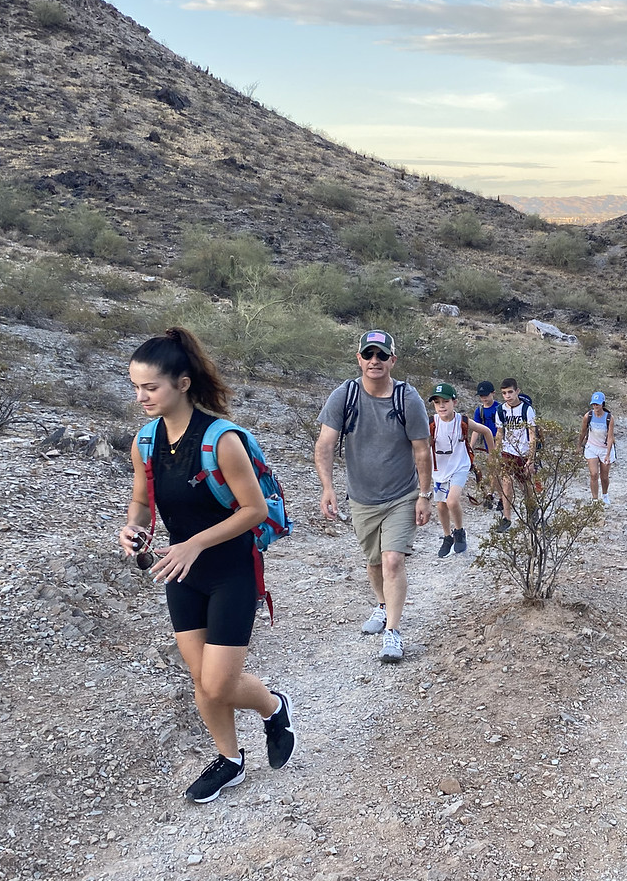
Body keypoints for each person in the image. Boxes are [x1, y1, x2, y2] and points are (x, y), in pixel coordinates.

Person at [119, 327, 296, 804]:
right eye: (135, 386)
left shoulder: (221, 440)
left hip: (230, 569)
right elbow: (141, 501)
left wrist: (194, 543)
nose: (141, 397)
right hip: (181, 572)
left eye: (150, 387)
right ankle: (231, 759)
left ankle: (275, 707)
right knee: (202, 682)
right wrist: (132, 528)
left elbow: (253, 510)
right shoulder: (145, 441)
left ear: (182, 383)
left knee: (218, 683)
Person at [314, 330, 432, 664]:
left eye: (382, 355)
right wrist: (327, 487)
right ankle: (382, 605)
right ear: (359, 359)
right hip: (362, 496)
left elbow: (422, 451)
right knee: (375, 561)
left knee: (393, 559)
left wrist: (424, 495)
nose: (374, 361)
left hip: (401, 493)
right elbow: (324, 444)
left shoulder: (407, 399)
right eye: (368, 355)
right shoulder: (345, 395)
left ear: (393, 360)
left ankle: (393, 631)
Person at [428, 382, 495, 557]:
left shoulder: (462, 421)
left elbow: (486, 431)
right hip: (440, 468)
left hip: (460, 466)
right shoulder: (431, 423)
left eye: (445, 401)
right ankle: (447, 536)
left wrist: (493, 455)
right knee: (441, 505)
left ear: (454, 402)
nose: (441, 406)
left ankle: (459, 531)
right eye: (437, 402)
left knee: (451, 501)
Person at [494, 378, 536, 533]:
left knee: (526, 485)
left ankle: (532, 511)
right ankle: (507, 518)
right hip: (507, 451)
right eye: (504, 393)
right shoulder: (500, 410)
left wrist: (531, 459)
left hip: (523, 452)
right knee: (506, 482)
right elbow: (499, 433)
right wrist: (495, 453)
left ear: (517, 391)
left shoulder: (527, 409)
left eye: (510, 392)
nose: (507, 396)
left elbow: (532, 434)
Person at [579, 391, 616, 505]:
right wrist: (579, 446)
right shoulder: (588, 416)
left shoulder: (609, 418)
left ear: (602, 404)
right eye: (594, 404)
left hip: (605, 449)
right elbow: (583, 432)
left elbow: (610, 437)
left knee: (604, 477)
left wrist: (608, 454)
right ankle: (595, 499)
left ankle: (605, 495)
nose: (595, 406)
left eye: (598, 404)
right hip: (592, 447)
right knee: (594, 474)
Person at [472, 381, 503, 511]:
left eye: (486, 395)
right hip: (488, 446)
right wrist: (470, 446)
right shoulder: (479, 411)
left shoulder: (500, 409)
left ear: (493, 394)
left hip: (502, 445)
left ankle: (500, 497)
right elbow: (475, 429)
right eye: (481, 396)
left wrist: (497, 448)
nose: (484, 398)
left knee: (496, 472)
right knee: (492, 471)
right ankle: (493, 495)